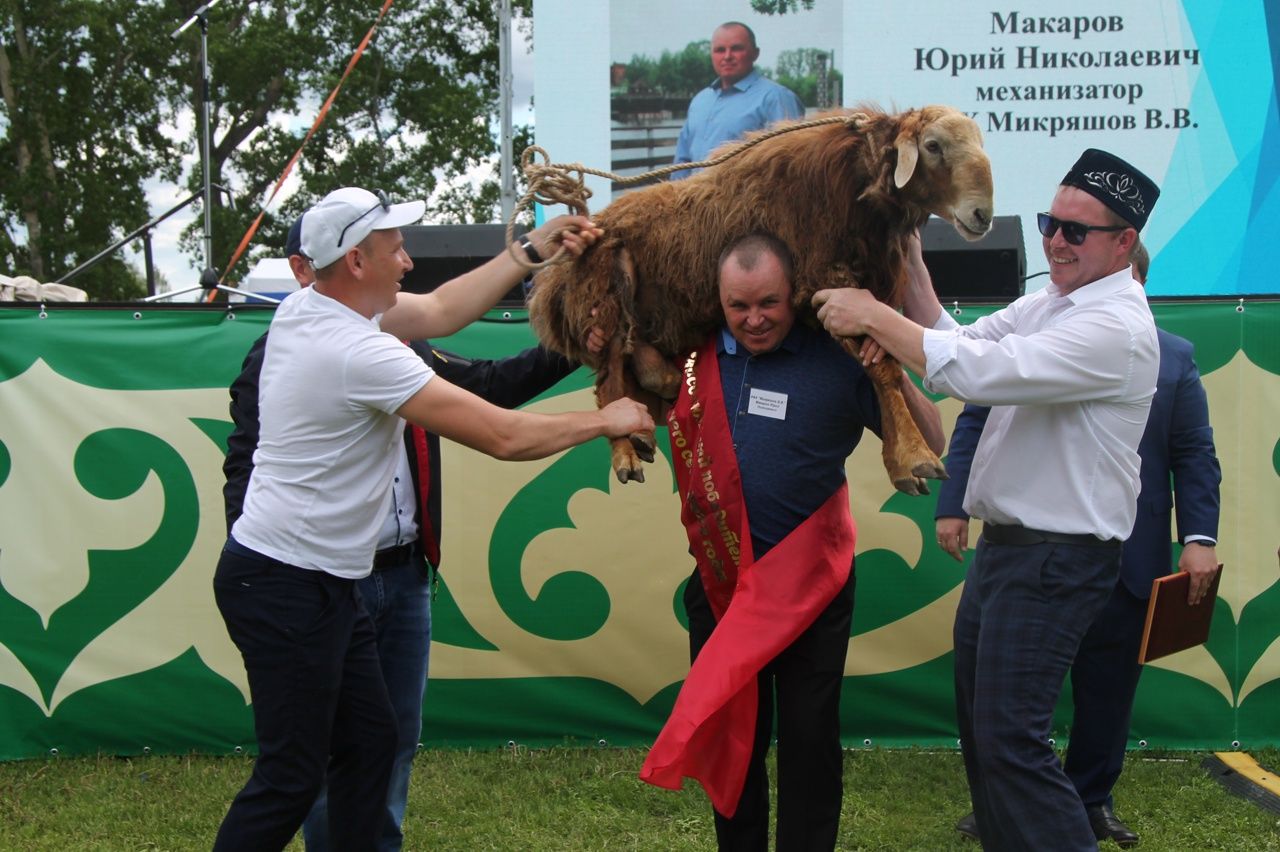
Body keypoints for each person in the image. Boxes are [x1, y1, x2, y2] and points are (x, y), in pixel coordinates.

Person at [211, 186, 653, 851]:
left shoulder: (322, 308)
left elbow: (446, 309)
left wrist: (535, 247)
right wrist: (604, 419)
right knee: (293, 776)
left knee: (371, 743)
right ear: (357, 261)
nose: (409, 261)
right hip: (283, 585)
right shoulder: (358, 351)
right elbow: (501, 436)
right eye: (396, 248)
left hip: (318, 582)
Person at [812, 149, 1163, 851]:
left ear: (1125, 243)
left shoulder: (1115, 325)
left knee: (1012, 746)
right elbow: (953, 338)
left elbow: (972, 373)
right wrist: (904, 242)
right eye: (1049, 222)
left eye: (1076, 232)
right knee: (989, 745)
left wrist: (870, 312)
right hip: (1014, 554)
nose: (1055, 242)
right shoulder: (1055, 303)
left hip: (1055, 561)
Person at [638, 233, 944, 850]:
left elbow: (931, 438)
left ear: (794, 293)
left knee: (810, 740)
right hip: (723, 587)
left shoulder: (838, 357)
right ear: (718, 301)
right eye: (738, 306)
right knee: (734, 737)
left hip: (812, 590)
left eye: (769, 304)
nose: (754, 320)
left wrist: (889, 367)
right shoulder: (685, 360)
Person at [941, 241, 1222, 848]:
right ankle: (1008, 809)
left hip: (1119, 552)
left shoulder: (1167, 354)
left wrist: (1198, 537)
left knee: (1105, 692)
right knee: (1000, 718)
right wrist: (952, 503)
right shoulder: (1040, 329)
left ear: (1132, 278)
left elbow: (1195, 453)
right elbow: (975, 411)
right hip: (1026, 543)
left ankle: (1089, 798)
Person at [671, 21, 804, 179]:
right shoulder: (700, 101)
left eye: (736, 48)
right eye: (720, 50)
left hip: (745, 202)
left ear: (755, 53)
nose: (727, 56)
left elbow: (790, 167)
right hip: (693, 200)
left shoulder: (776, 98)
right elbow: (682, 160)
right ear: (712, 55)